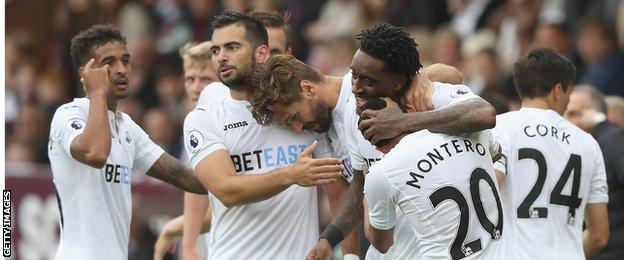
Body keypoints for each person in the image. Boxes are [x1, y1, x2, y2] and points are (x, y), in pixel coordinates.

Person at [250, 22, 498, 259]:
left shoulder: (415, 95)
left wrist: (404, 120)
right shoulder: (362, 115)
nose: (356, 87)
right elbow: (357, 186)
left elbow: (468, 94)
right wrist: (330, 240)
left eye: (294, 117)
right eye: (354, 76)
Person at [182, 10, 343, 260]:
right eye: (215, 51)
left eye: (232, 47)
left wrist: (349, 254)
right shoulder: (203, 117)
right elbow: (226, 190)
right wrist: (291, 174)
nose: (221, 58)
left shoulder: (302, 112)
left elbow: (337, 194)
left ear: (262, 53)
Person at [48, 24, 207, 260]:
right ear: (86, 72)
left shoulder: (127, 126)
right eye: (109, 62)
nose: (122, 69)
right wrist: (98, 93)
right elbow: (96, 154)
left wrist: (241, 179)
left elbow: (183, 176)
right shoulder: (68, 114)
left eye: (125, 60)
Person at [492, 48, 609, 259]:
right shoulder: (588, 144)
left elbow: (486, 195)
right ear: (557, 91)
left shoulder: (500, 129)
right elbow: (599, 236)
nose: (567, 102)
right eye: (569, 94)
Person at [362, 98, 506, 259]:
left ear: (378, 148)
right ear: (409, 112)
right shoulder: (470, 130)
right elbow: (496, 153)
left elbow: (382, 244)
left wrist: (366, 196)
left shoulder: (381, 172)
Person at [153, 41, 217, 260]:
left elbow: (225, 199)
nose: (196, 87)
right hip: (206, 240)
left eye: (206, 79)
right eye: (190, 79)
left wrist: (176, 228)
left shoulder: (223, 126)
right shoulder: (193, 123)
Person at [565, 86, 624, 260]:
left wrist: (602, 124)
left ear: (595, 115)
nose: (566, 121)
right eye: (564, 114)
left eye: (574, 114)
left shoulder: (612, 142)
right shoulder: (578, 147)